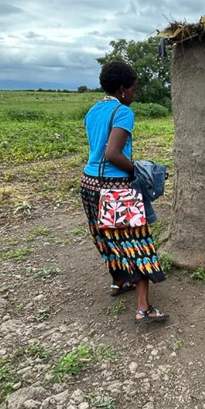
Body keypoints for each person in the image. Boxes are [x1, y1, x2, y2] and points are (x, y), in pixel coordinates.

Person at [80, 60, 168, 324]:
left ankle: (118, 282)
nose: (134, 93)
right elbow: (112, 153)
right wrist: (136, 172)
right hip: (114, 188)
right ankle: (144, 309)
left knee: (106, 237)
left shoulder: (93, 111)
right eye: (133, 88)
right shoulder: (122, 112)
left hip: (88, 185)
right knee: (138, 241)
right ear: (122, 89)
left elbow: (98, 153)